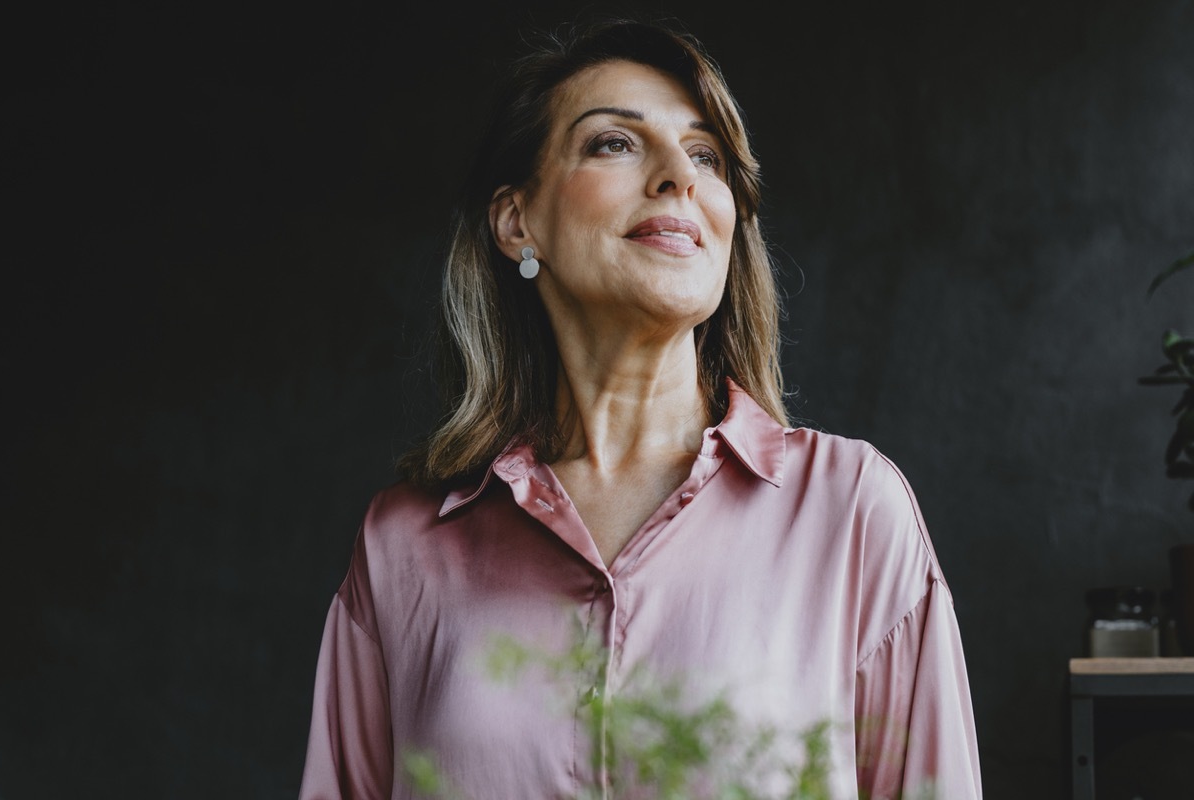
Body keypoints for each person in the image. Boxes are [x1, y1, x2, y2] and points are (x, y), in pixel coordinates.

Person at [298, 16, 982, 800]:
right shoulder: (401, 549)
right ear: (518, 221)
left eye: (706, 156)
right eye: (614, 143)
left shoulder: (853, 511)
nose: (677, 177)